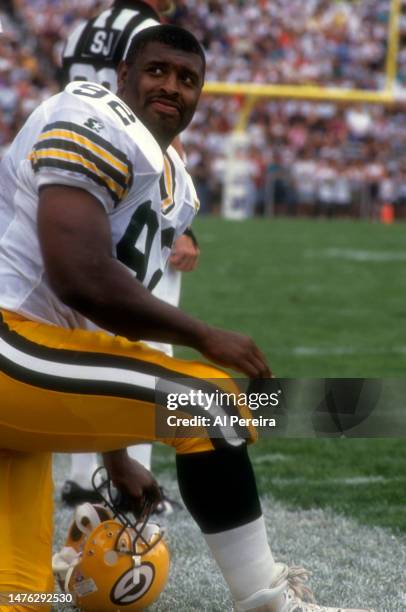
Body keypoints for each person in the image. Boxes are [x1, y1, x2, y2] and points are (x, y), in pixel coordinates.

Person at [0, 25, 373, 612]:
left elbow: (103, 329)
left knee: (18, 598)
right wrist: (205, 335)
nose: (172, 86)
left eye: (188, 78)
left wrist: (118, 457)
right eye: (157, 71)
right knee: (210, 403)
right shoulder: (90, 116)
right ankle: (268, 600)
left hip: (32, 373)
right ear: (122, 77)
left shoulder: (175, 182)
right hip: (11, 344)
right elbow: (79, 276)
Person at [61, 0, 199, 506]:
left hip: (85, 177)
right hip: (135, 182)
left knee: (84, 333)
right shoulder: (149, 29)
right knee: (146, 344)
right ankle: (129, 477)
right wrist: (181, 220)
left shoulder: (83, 30)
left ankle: (83, 478)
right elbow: (156, 122)